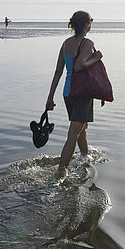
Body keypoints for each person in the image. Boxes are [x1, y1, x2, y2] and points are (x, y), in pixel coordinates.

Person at [45, 11, 103, 177]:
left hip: (67, 93)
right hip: (82, 93)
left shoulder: (65, 43)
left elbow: (58, 71)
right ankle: (60, 172)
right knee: (73, 134)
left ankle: (85, 157)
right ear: (86, 25)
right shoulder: (87, 43)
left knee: (81, 129)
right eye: (90, 23)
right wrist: (97, 58)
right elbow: (80, 66)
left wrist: (50, 97)